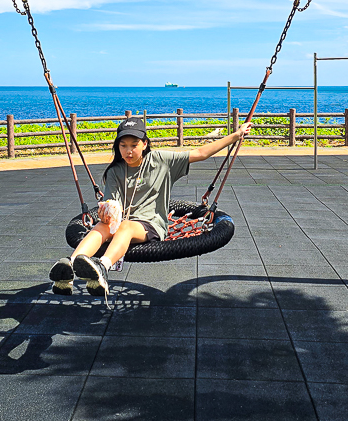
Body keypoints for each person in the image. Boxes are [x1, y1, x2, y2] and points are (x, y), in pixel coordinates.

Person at [49, 115, 252, 299]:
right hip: (122, 222)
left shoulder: (161, 161)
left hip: (150, 225)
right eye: (123, 145)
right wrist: (106, 212)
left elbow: (200, 153)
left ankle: (102, 267)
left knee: (126, 226)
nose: (129, 151)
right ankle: (69, 266)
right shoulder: (115, 171)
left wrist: (236, 135)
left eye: (134, 144)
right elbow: (113, 206)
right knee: (102, 226)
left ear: (144, 144)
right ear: (118, 147)